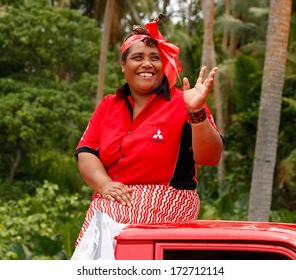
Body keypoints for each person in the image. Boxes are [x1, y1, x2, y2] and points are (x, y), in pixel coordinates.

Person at [72, 14, 224, 258]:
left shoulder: (183, 102)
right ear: (123, 65)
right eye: (137, 57)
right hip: (106, 206)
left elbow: (210, 157)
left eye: (155, 58)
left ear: (164, 65)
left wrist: (195, 112)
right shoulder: (109, 104)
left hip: (167, 210)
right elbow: (87, 152)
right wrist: (105, 185)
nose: (147, 64)